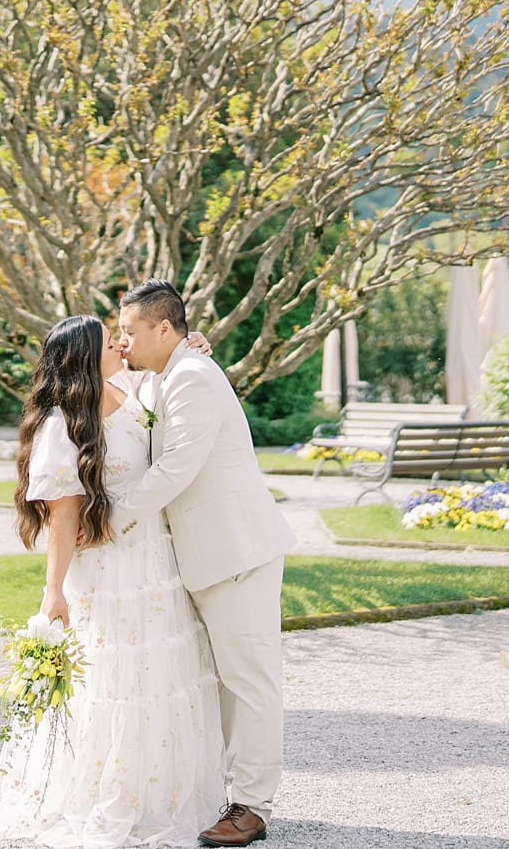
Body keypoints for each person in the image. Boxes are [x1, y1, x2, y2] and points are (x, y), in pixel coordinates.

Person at [0, 315, 224, 849]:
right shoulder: (60, 425)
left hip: (155, 564)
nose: (121, 343)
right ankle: (108, 799)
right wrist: (53, 592)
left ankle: (157, 795)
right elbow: (63, 518)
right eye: (109, 339)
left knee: (162, 677)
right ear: (85, 357)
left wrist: (192, 346)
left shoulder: (129, 389)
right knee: (114, 683)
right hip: (107, 572)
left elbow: (168, 377)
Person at [114, 279, 296, 848]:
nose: (122, 343)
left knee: (250, 682)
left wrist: (105, 518)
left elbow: (174, 469)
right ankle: (230, 793)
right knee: (226, 683)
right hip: (213, 556)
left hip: (237, 551)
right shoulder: (171, 373)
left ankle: (252, 807)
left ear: (163, 329)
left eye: (130, 331)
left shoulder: (191, 376)